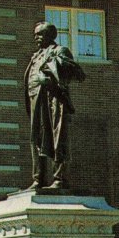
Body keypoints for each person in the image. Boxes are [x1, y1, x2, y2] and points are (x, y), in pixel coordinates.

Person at [24, 21, 86, 190]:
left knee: (58, 138)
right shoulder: (35, 55)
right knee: (36, 139)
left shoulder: (60, 51)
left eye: (40, 34)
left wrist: (50, 76)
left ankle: (59, 179)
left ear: (50, 35)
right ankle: (38, 179)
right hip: (36, 100)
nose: (36, 37)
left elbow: (73, 72)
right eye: (35, 34)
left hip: (53, 100)